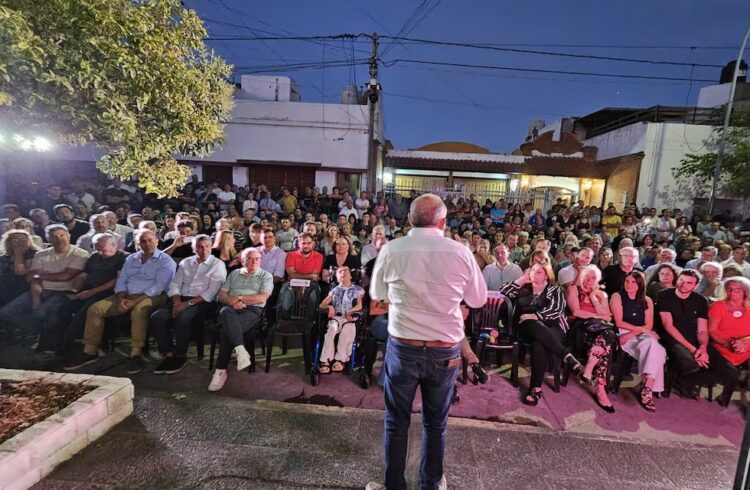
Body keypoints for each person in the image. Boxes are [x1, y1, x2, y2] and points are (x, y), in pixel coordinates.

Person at [368, 194, 487, 490]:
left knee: (397, 423)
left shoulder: (392, 249)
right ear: (443, 221)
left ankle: (394, 485)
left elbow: (377, 292)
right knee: (435, 424)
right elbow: (478, 299)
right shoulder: (459, 252)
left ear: (410, 219)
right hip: (443, 351)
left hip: (403, 347)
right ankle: (431, 485)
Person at [63, 229, 176, 374]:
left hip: (152, 296)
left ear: (157, 241)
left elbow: (158, 287)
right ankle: (90, 350)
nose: (146, 243)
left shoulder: (166, 261)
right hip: (126, 295)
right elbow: (122, 280)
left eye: (149, 240)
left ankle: (136, 353)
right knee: (95, 309)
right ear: (137, 243)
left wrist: (133, 302)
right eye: (143, 241)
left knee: (138, 311)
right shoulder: (131, 259)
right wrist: (121, 298)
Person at [499, 262, 583, 407]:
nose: (533, 273)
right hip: (527, 326)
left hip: (553, 327)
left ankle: (535, 389)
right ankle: (566, 356)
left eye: (538, 272)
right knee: (531, 325)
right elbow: (503, 291)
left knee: (538, 343)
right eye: (532, 271)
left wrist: (536, 316)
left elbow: (557, 309)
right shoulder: (524, 289)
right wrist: (521, 280)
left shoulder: (553, 289)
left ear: (546, 275)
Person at [0, 224, 89, 352]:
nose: (58, 239)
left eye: (61, 235)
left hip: (64, 293)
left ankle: (49, 346)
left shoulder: (80, 253)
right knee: (6, 313)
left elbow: (65, 276)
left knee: (45, 314)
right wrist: (36, 300)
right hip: (39, 290)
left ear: (68, 236)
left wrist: (40, 275)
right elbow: (32, 279)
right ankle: (30, 334)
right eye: (53, 236)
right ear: (48, 239)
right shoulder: (41, 254)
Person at [150, 235, 226, 374]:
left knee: (182, 317)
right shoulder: (186, 262)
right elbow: (175, 283)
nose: (203, 250)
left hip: (203, 302)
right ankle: (168, 353)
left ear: (211, 247)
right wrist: (177, 301)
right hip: (180, 298)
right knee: (157, 317)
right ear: (193, 248)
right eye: (199, 247)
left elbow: (211, 292)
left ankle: (180, 355)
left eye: (207, 246)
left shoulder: (218, 264)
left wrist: (186, 304)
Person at [208, 248, 273, 391]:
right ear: (243, 261)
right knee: (225, 311)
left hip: (252, 310)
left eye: (257, 258)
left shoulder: (266, 276)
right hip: (231, 309)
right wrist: (232, 303)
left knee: (227, 329)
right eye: (250, 258)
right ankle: (240, 351)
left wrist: (238, 298)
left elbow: (261, 298)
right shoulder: (234, 274)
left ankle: (220, 371)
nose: (254, 261)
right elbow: (221, 295)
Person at [59, 233, 128, 355]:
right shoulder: (95, 256)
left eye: (103, 250)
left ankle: (65, 346)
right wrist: (76, 289)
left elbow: (117, 281)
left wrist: (91, 292)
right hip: (87, 289)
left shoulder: (123, 258)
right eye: (97, 249)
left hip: (105, 292)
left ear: (114, 245)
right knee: (63, 306)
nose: (100, 253)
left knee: (84, 312)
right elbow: (83, 275)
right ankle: (54, 342)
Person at [610, 271, 666, 412]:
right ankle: (647, 390)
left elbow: (648, 325)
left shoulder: (646, 300)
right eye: (627, 281)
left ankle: (647, 386)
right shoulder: (617, 296)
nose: (629, 284)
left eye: (633, 282)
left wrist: (636, 332)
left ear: (640, 284)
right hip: (624, 332)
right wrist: (639, 331)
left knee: (652, 345)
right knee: (658, 350)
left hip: (641, 332)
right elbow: (619, 322)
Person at [566, 265, 617, 412]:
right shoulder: (574, 290)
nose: (589, 280)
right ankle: (601, 392)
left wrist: (594, 297)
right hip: (581, 330)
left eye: (593, 277)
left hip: (599, 333)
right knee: (608, 339)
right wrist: (597, 317)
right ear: (581, 277)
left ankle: (589, 370)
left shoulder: (601, 294)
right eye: (586, 277)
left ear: (598, 279)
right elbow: (576, 312)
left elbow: (607, 317)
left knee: (605, 342)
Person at [657, 270, 714, 399]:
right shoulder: (664, 295)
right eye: (681, 280)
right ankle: (684, 383)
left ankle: (683, 381)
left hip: (691, 336)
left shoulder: (700, 300)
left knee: (713, 362)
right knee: (690, 362)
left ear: (695, 286)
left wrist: (702, 348)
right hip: (669, 336)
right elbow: (668, 325)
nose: (684, 285)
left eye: (689, 283)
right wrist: (693, 349)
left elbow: (702, 329)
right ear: (677, 280)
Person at [708, 277, 750, 406]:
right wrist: (728, 344)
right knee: (731, 371)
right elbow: (712, 331)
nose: (733, 293)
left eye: (737, 290)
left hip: (745, 347)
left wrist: (745, 341)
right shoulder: (718, 306)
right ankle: (724, 399)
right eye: (730, 289)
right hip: (721, 345)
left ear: (745, 291)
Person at [318, 266, 365, 374]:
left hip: (350, 317)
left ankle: (340, 359)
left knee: (348, 329)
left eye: (346, 271)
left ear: (351, 275)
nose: (343, 272)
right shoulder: (335, 290)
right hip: (337, 317)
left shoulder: (357, 289)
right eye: (340, 272)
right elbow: (322, 304)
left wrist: (351, 310)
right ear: (337, 277)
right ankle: (326, 360)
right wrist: (329, 307)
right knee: (331, 329)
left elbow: (359, 305)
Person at [0, 230, 39, 307]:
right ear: (8, 243)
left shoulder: (35, 255)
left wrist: (18, 253)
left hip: (25, 288)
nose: (20, 243)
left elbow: (20, 272)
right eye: (16, 240)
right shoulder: (3, 258)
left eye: (24, 240)